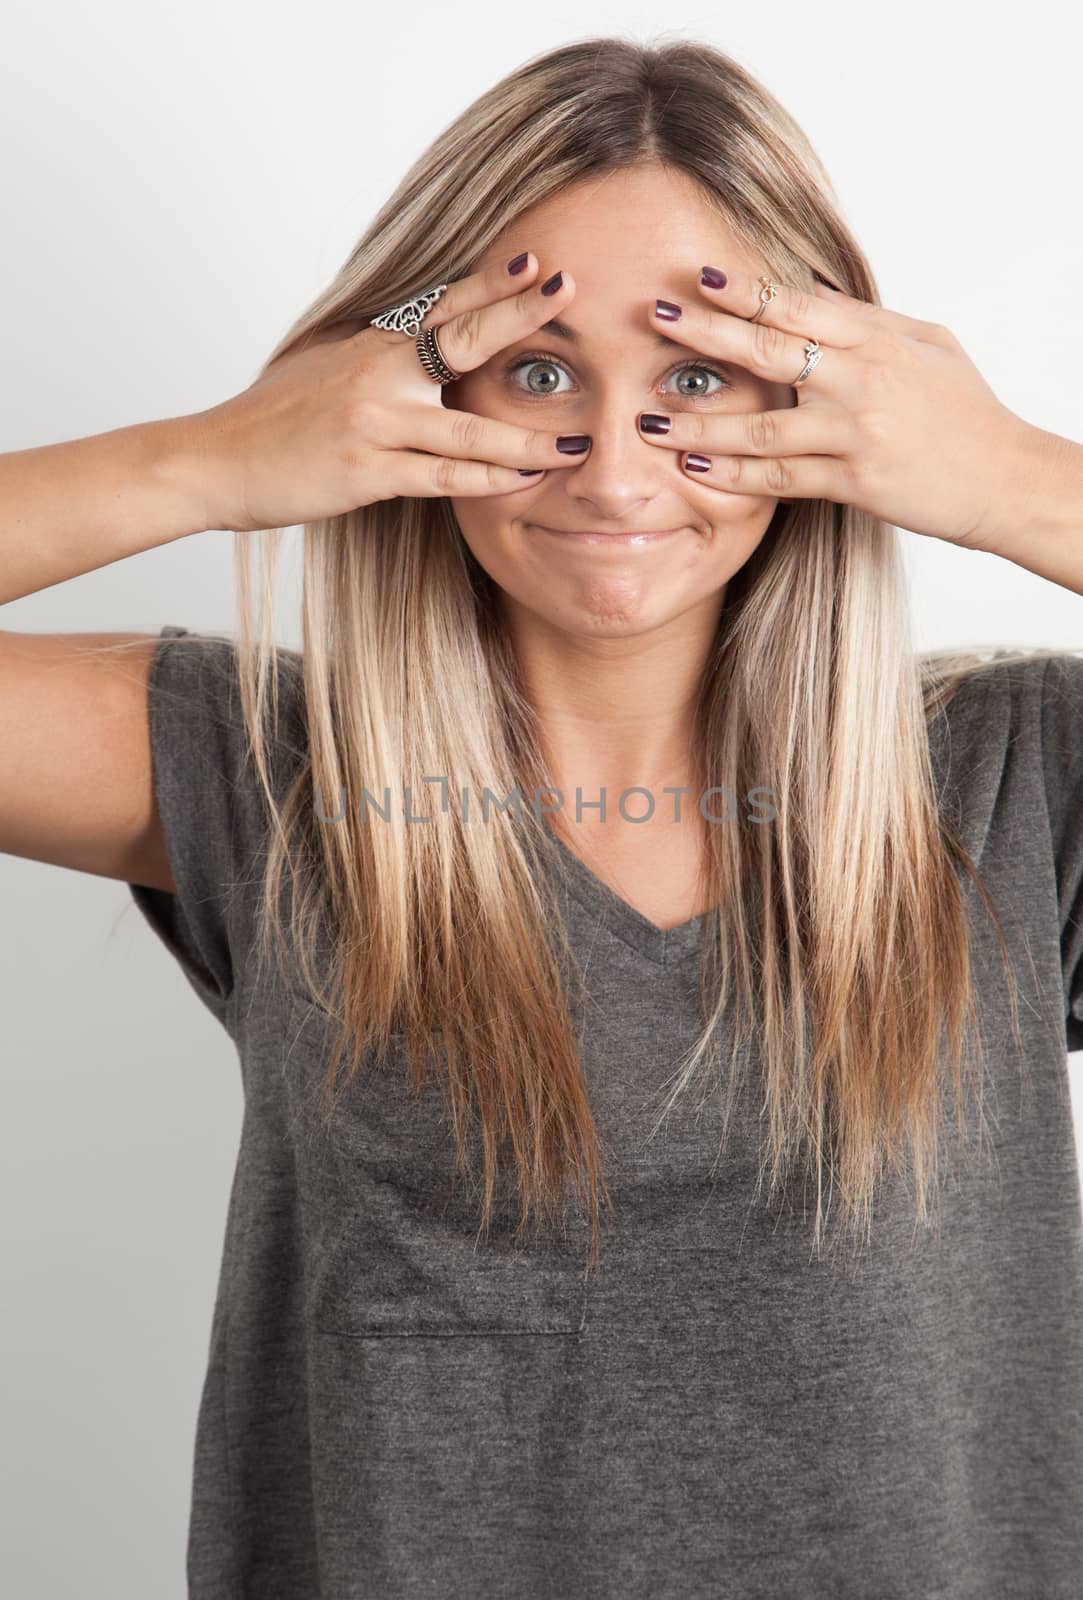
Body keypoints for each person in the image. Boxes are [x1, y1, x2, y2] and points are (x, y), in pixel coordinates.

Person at [2, 32, 1082, 1600]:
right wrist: (208, 460)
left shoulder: (1015, 781)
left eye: (696, 375)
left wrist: (1010, 479)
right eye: (538, 368)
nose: (616, 460)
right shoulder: (270, 778)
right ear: (418, 397)